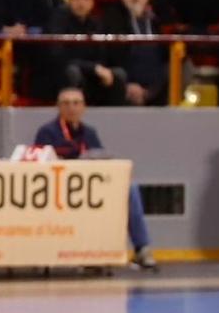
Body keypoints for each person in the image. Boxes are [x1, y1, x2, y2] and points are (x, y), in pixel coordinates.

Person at [32, 88, 157, 269]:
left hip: (92, 187)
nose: (71, 108)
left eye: (76, 103)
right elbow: (39, 163)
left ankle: (142, 248)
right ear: (58, 107)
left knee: (130, 188)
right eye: (66, 103)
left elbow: (100, 158)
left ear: (84, 107)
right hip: (60, 189)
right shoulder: (47, 132)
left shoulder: (89, 132)